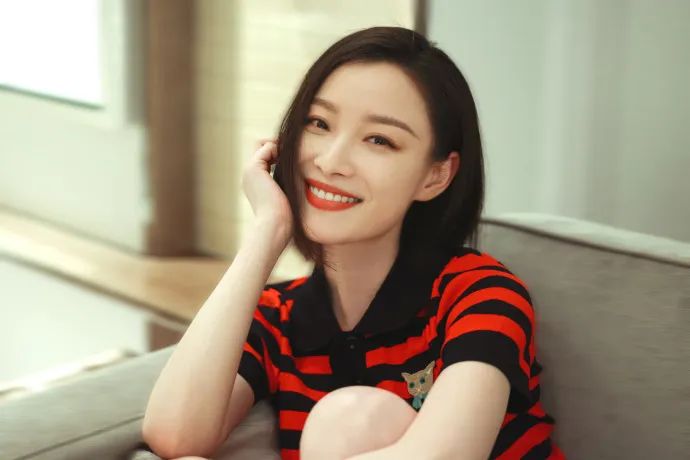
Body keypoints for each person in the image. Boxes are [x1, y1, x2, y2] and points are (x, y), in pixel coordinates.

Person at [142, 26, 564, 460]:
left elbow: (443, 456)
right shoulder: (277, 318)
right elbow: (174, 435)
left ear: (435, 175)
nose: (331, 162)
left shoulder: (480, 293)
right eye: (319, 123)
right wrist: (266, 233)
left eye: (379, 140)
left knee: (349, 419)